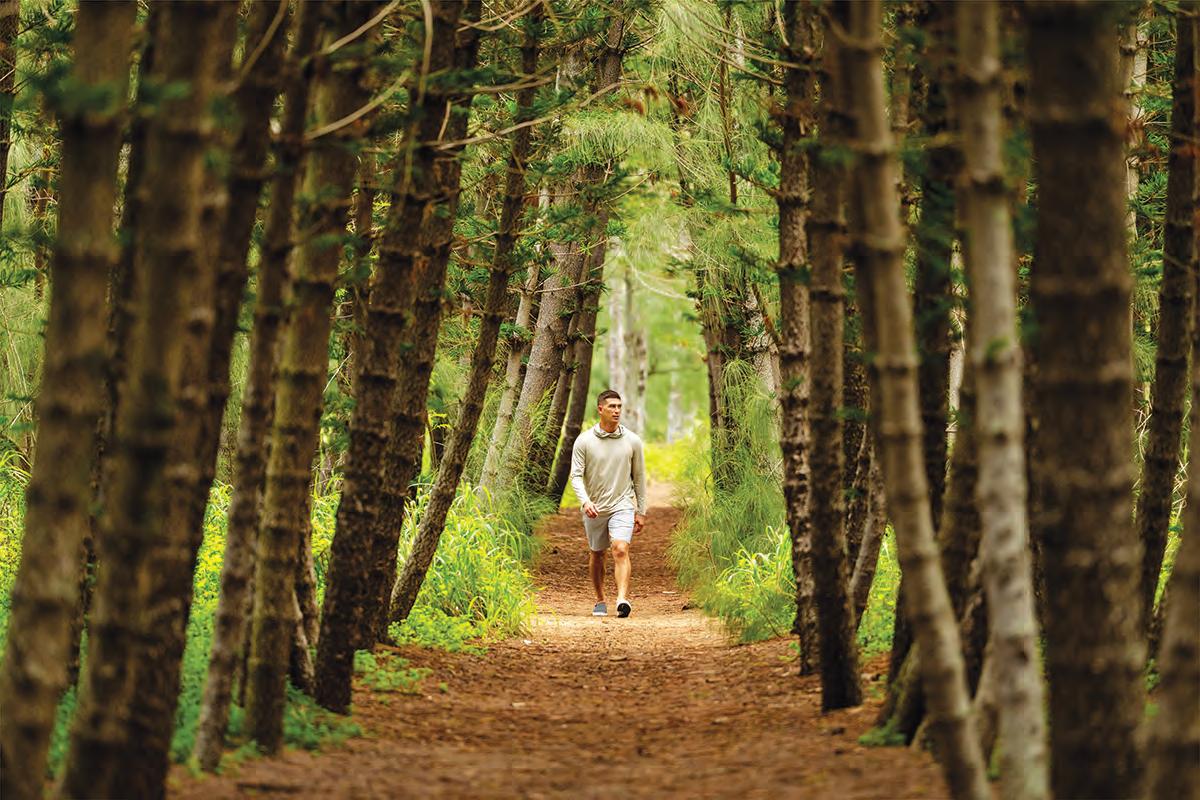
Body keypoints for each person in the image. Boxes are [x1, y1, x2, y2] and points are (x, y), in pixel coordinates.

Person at [569, 389, 647, 618]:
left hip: (622, 504)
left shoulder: (632, 441)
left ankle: (622, 599)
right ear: (600, 409)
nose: (616, 411)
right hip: (594, 507)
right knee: (597, 553)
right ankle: (600, 599)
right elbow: (576, 476)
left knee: (621, 549)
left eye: (619, 406)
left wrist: (641, 510)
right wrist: (585, 502)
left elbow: (639, 477)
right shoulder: (584, 441)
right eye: (612, 406)